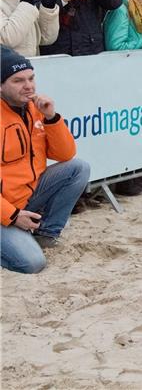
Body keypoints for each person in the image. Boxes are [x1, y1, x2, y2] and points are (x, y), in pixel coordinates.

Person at [1, 46, 91, 273]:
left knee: (78, 168)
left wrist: (52, 118)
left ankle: (45, 234)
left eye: (31, 78)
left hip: (25, 197)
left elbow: (65, 154)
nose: (29, 86)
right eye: (18, 81)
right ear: (1, 85)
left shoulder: (34, 108)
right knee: (32, 263)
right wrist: (12, 216)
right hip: (5, 208)